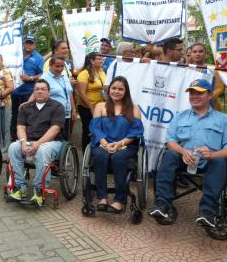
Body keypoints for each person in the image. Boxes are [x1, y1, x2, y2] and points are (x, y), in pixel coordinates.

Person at [149, 79, 227, 228]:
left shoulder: (223, 119)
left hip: (211, 164)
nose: (194, 96)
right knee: (170, 154)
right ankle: (162, 204)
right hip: (185, 161)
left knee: (220, 161)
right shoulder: (180, 116)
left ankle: (208, 213)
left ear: (210, 95)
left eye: (199, 93)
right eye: (191, 93)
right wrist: (183, 151)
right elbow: (171, 141)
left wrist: (212, 154)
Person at [90, 76, 144, 213]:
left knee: (118, 157)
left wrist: (120, 144)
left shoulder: (134, 108)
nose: (116, 91)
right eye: (114, 88)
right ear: (109, 90)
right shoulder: (100, 106)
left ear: (126, 91)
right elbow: (95, 128)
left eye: (120, 89)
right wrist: (105, 143)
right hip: (103, 143)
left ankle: (120, 200)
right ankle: (102, 198)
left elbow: (136, 131)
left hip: (126, 144)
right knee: (100, 156)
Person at [7, 79, 65, 207]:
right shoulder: (25, 107)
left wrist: (38, 144)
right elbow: (20, 127)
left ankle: (39, 190)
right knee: (13, 147)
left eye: (43, 89)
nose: (39, 91)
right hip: (28, 141)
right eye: (37, 89)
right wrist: (23, 142)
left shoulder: (57, 107)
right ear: (33, 92)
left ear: (49, 92)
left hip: (51, 142)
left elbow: (55, 129)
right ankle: (20, 188)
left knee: (43, 150)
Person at [11, 34, 44, 141]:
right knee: (15, 114)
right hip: (15, 91)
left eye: (31, 42)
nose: (28, 44)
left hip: (28, 92)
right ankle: (15, 137)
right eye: (27, 42)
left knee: (28, 115)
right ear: (23, 43)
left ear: (34, 44)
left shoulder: (38, 57)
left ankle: (28, 138)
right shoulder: (16, 54)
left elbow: (42, 74)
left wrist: (30, 78)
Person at [38, 55, 76, 140]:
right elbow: (37, 94)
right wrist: (27, 104)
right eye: (57, 66)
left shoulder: (64, 76)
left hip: (67, 114)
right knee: (55, 139)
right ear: (50, 65)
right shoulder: (44, 78)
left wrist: (73, 109)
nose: (60, 69)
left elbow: (69, 93)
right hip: (52, 115)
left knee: (66, 138)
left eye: (62, 66)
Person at [76, 52, 106, 152]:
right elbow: (82, 93)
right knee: (88, 131)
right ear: (92, 61)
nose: (102, 60)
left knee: (99, 130)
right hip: (87, 108)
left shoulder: (102, 71)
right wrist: (91, 108)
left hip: (101, 107)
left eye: (102, 58)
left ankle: (96, 152)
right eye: (99, 59)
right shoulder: (84, 74)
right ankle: (86, 154)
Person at [188, 43, 224, 111]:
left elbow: (220, 88)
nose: (197, 54)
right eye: (194, 51)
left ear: (206, 54)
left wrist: (207, 97)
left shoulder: (213, 69)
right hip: (188, 106)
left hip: (211, 107)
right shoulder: (185, 69)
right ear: (191, 54)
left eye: (201, 51)